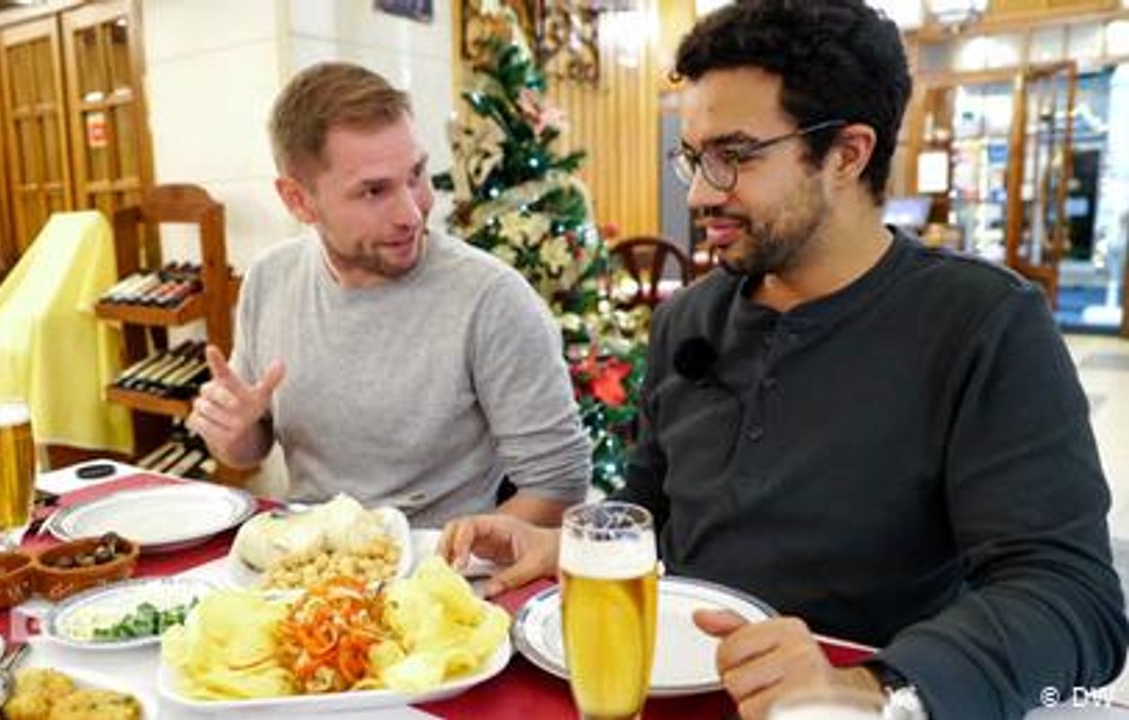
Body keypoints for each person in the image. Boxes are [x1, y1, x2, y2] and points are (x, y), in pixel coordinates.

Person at [441, 1, 1129, 718]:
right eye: (695, 157)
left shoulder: (983, 325)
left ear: (847, 154)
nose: (702, 192)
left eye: (734, 157)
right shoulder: (688, 317)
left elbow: (1072, 599)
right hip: (665, 682)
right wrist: (564, 546)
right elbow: (650, 511)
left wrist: (873, 685)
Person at [186, 62, 591, 528]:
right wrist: (235, 433)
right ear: (298, 200)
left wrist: (446, 559)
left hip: (446, 573)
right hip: (308, 565)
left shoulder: (491, 299)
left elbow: (559, 482)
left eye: (416, 175)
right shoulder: (268, 279)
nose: (412, 214)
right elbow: (249, 450)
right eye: (374, 191)